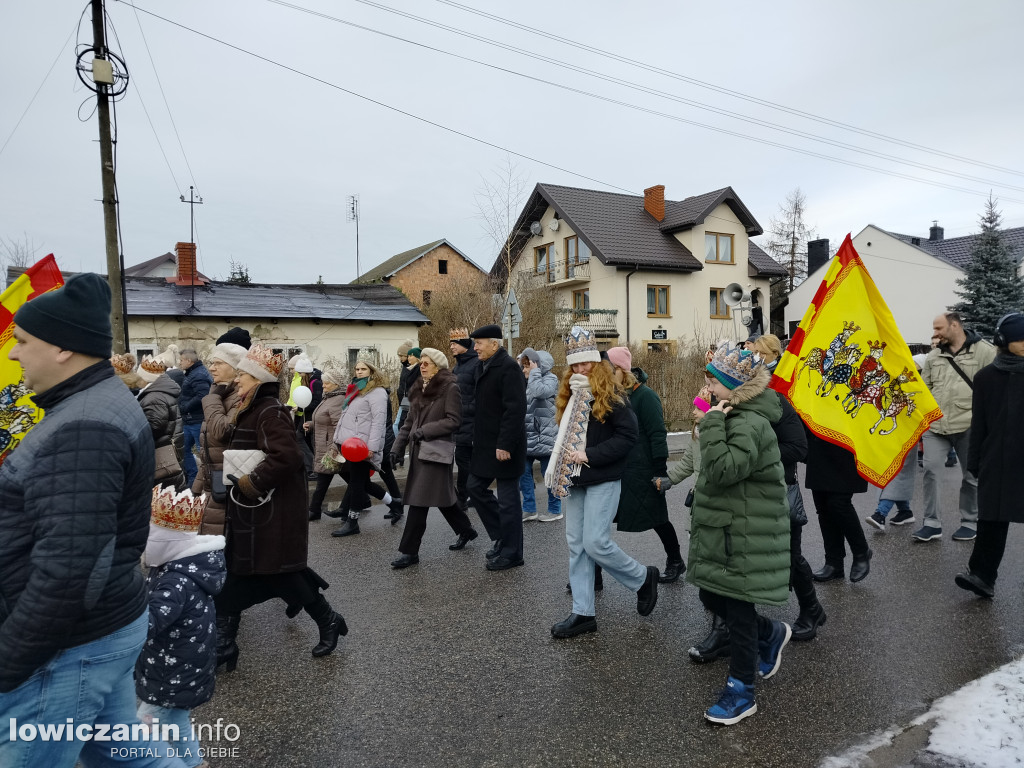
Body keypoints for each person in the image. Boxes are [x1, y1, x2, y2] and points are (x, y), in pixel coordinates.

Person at [0, 273, 187, 766]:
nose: (14, 354)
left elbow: (69, 569)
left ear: (63, 348)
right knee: (128, 756)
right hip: (99, 628)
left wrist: (9, 661)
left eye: (21, 341)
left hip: (69, 646)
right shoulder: (88, 407)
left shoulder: (84, 426)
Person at [214, 344, 346, 670]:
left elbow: (286, 457)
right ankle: (224, 647)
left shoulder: (269, 411)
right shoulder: (252, 407)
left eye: (244, 375)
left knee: (281, 575)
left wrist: (251, 483)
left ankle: (328, 619)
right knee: (238, 579)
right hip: (255, 514)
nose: (238, 381)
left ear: (258, 379)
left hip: (270, 514)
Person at [687, 342, 791, 726]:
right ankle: (772, 632)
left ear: (733, 385)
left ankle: (741, 691)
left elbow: (725, 470)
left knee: (738, 611)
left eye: (713, 381)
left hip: (744, 532)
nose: (708, 387)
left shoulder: (749, 421)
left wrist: (711, 422)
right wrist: (710, 418)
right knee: (709, 593)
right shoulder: (730, 413)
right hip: (725, 527)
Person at [546, 328, 659, 639]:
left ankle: (641, 578)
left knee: (596, 542)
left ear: (597, 363)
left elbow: (628, 438)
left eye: (586, 363)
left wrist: (588, 455)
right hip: (575, 480)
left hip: (603, 476)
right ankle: (583, 612)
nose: (581, 370)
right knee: (577, 546)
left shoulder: (613, 397)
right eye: (575, 365)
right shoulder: (569, 396)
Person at [136, 486, 226, 768]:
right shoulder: (183, 567)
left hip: (171, 670)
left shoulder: (175, 580)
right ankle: (195, 763)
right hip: (180, 664)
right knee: (176, 720)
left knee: (140, 731)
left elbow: (149, 623)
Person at [955, 313, 1024, 598]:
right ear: (1003, 341)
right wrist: (974, 464)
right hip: (996, 460)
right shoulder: (986, 378)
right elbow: (979, 424)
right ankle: (982, 576)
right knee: (991, 519)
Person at [390, 348, 479, 568]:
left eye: (427, 363)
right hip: (420, 453)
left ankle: (410, 552)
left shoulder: (450, 388)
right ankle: (466, 530)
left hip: (436, 452)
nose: (422, 366)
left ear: (438, 366)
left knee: (419, 501)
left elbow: (454, 420)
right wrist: (396, 448)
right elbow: (409, 422)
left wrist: (426, 430)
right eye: (421, 363)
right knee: (442, 498)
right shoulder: (419, 388)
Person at [606, 347, 684, 583]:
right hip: (618, 468)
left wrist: (660, 470)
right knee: (599, 521)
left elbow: (658, 434)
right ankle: (593, 573)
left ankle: (676, 561)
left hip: (644, 469)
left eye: (610, 370)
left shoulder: (645, 396)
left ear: (621, 370)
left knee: (657, 518)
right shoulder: (613, 394)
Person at [916, 311, 996, 542]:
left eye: (939, 328)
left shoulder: (985, 352)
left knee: (971, 476)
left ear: (954, 326)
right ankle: (932, 523)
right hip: (936, 426)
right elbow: (925, 389)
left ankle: (970, 522)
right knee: (930, 471)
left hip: (969, 425)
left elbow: (993, 389)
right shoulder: (934, 356)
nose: (935, 333)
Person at [467, 325, 528, 571]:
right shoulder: (482, 366)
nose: (475, 347)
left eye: (479, 343)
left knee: (508, 501)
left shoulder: (509, 368)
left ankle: (513, 553)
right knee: (474, 487)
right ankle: (502, 536)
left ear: (494, 344)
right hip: (484, 445)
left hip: (505, 446)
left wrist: (505, 444)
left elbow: (515, 410)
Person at [329, 359, 395, 537]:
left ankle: (352, 521)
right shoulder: (357, 390)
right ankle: (395, 504)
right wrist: (338, 440)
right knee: (363, 482)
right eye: (357, 369)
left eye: (363, 369)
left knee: (357, 483)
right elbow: (346, 418)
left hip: (363, 446)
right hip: (350, 444)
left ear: (372, 371)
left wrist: (372, 447)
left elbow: (378, 422)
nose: (359, 372)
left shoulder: (377, 392)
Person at [193, 340, 248, 536]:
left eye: (218, 363)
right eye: (212, 363)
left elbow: (221, 431)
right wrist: (196, 488)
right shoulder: (220, 393)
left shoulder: (239, 398)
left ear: (235, 369)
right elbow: (208, 448)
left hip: (227, 485)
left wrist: (212, 398)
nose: (211, 368)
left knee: (221, 540)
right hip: (212, 483)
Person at [806, 431, 871, 583]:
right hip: (818, 439)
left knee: (839, 503)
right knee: (823, 507)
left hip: (846, 441)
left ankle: (861, 552)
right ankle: (833, 563)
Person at [519, 346, 561, 522]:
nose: (524, 370)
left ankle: (555, 509)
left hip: (546, 436)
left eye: (527, 366)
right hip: (527, 436)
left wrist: (534, 373)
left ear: (537, 365)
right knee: (523, 473)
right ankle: (529, 509)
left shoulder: (551, 379)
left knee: (549, 475)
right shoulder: (523, 380)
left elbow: (540, 392)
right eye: (523, 366)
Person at [137, 357, 187, 491]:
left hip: (161, 458)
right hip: (169, 454)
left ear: (145, 378)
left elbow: (154, 427)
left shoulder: (153, 397)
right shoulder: (160, 392)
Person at [306, 365, 347, 521]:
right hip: (324, 443)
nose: (323, 385)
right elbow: (323, 419)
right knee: (350, 477)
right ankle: (363, 499)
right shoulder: (329, 397)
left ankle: (314, 509)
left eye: (326, 383)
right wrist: (310, 424)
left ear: (336, 384)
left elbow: (338, 426)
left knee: (323, 478)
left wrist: (335, 447)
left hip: (331, 445)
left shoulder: (338, 399)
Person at [450, 327, 479, 511]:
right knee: (462, 460)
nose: (451, 347)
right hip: (459, 422)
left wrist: (464, 409)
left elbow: (480, 394)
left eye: (454, 343)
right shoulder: (457, 366)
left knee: (465, 460)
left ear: (463, 345)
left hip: (471, 421)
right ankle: (470, 495)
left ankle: (466, 496)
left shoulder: (476, 364)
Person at [178, 348, 213, 488]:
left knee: (203, 452)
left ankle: (206, 482)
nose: (179, 363)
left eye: (181, 360)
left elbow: (202, 396)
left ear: (188, 361)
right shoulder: (193, 373)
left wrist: (185, 407)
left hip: (197, 420)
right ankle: (193, 479)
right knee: (183, 450)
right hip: (190, 420)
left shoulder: (198, 375)